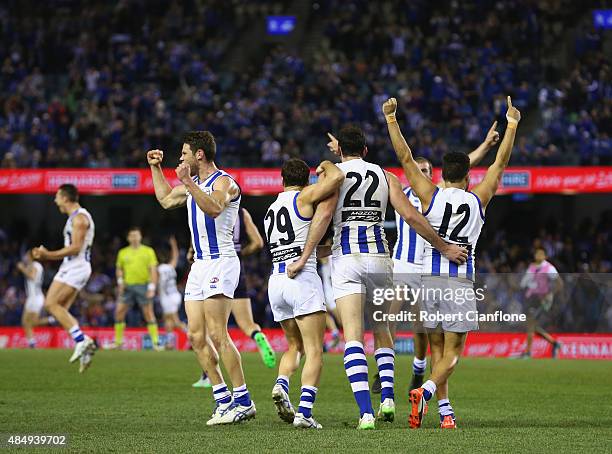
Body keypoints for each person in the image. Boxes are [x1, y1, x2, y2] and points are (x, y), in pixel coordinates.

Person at [288, 127, 467, 429]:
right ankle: (387, 397)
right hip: (380, 259)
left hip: (346, 259)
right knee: (382, 328)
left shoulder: (335, 175)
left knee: (354, 337)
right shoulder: (386, 176)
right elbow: (411, 216)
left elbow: (323, 216)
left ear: (341, 152)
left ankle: (366, 414)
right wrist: (443, 246)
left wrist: (306, 256)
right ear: (367, 150)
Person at [384, 96, 520, 429]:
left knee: (437, 348)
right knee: (454, 352)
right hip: (459, 282)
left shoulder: (430, 194)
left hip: (428, 280)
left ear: (444, 175)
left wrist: (391, 120)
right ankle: (428, 392)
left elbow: (404, 157)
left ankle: (446, 412)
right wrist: (512, 124)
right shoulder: (478, 198)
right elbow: (499, 166)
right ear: (468, 177)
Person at [371, 124, 500, 394]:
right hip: (405, 264)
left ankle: (419, 368)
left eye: (428, 171)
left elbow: (460, 170)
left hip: (428, 267)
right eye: (421, 171)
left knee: (422, 328)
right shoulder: (405, 193)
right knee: (389, 317)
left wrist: (485, 147)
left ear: (435, 175)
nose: (424, 174)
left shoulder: (436, 194)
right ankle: (385, 371)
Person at [148, 130, 255, 425]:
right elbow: (167, 200)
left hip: (222, 262)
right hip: (200, 266)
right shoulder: (193, 184)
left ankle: (244, 400)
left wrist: (186, 182)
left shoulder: (224, 182)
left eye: (183, 154)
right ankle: (223, 400)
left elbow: (215, 208)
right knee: (196, 335)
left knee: (219, 334)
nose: (179, 159)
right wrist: (155, 168)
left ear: (199, 155)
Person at [267, 158, 344, 430]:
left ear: (281, 179)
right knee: (314, 351)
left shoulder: (272, 208)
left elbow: (296, 243)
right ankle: (305, 413)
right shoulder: (303, 197)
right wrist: (326, 163)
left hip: (276, 280)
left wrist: (327, 250)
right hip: (302, 278)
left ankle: (281, 384)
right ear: (307, 181)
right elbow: (336, 177)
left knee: (293, 346)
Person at [192, 207, 276, 389]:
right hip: (236, 268)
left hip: (215, 264)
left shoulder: (207, 206)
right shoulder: (242, 212)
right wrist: (242, 253)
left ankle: (208, 376)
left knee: (210, 328)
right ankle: (257, 334)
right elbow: (258, 242)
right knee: (246, 323)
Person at [32, 183, 97, 373]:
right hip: (72, 266)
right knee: (61, 309)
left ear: (66, 198)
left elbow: (76, 247)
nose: (55, 200)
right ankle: (85, 346)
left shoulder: (80, 218)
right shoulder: (74, 218)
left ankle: (82, 340)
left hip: (76, 266)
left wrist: (47, 255)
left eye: (57, 196)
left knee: (50, 304)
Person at [110, 227, 161, 351]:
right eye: (132, 235)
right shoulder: (123, 252)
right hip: (127, 286)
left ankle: (156, 343)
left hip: (143, 285)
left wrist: (152, 287)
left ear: (140, 237)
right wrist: (120, 282)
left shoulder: (148, 251)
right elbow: (119, 269)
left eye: (136, 235)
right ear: (128, 238)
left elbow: (153, 270)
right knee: (119, 312)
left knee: (148, 314)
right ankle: (118, 342)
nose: (134, 237)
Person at [519, 247, 563, 358]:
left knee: (531, 324)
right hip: (531, 299)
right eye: (536, 253)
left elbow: (559, 283)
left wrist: (549, 294)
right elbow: (524, 283)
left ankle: (528, 352)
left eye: (541, 253)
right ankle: (554, 343)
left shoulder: (549, 268)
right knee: (531, 325)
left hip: (542, 300)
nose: (538, 255)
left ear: (545, 256)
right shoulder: (532, 267)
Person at [157, 236, 187, 350]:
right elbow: (176, 256)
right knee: (168, 320)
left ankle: (194, 337)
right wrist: (174, 245)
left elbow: (155, 283)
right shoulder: (170, 267)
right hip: (175, 295)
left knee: (175, 321)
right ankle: (169, 344)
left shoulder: (158, 269)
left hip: (167, 298)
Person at [17, 249, 49, 348]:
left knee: (33, 323)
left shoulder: (36, 265)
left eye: (27, 255)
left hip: (36, 298)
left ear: (31, 256)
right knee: (24, 322)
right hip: (31, 298)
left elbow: (32, 276)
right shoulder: (31, 266)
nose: (25, 257)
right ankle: (31, 343)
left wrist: (22, 268)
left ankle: (52, 320)